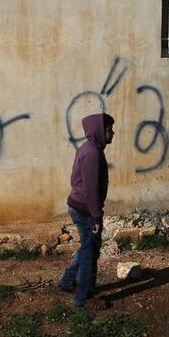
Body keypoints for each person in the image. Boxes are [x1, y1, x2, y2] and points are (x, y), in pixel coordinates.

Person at [59, 112, 114, 310]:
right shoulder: (91, 153)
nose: (112, 133)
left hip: (80, 206)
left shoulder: (91, 148)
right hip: (85, 210)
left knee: (86, 249)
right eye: (109, 130)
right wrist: (96, 217)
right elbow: (91, 188)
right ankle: (83, 298)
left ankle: (67, 282)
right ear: (99, 131)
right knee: (90, 253)